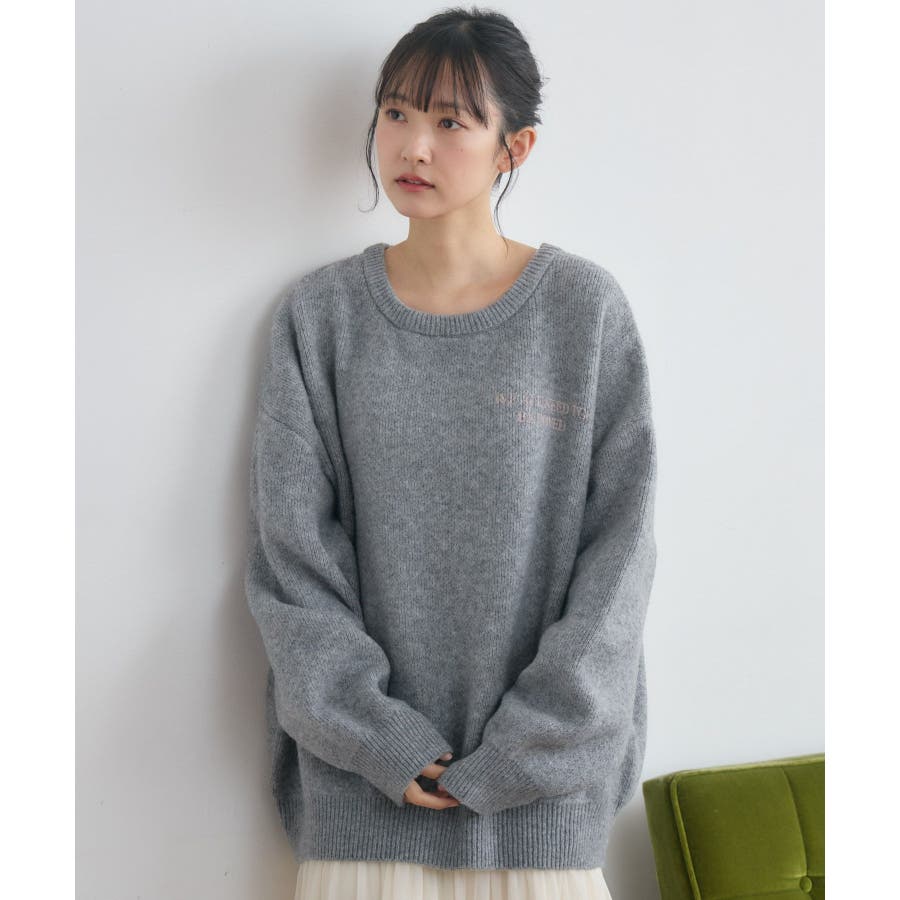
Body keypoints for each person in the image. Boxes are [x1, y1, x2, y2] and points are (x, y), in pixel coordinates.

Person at [243, 6, 658, 899]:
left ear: (515, 148)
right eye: (396, 112)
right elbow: (291, 560)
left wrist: (526, 752)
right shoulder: (322, 317)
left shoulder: (583, 313)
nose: (414, 145)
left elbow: (620, 562)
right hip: (363, 812)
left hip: (543, 819)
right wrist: (379, 739)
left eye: (450, 121)